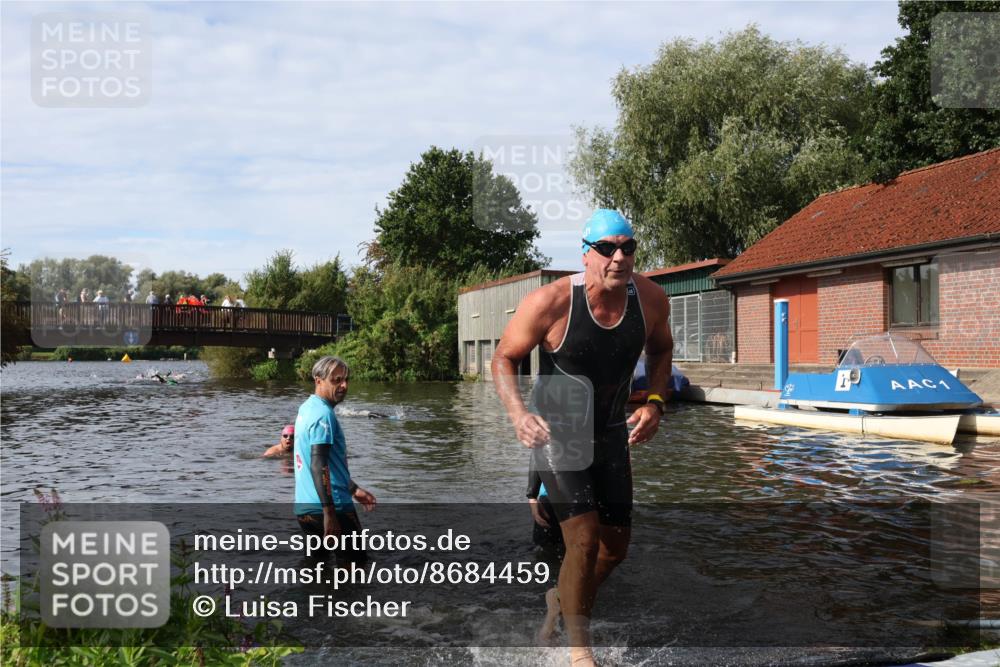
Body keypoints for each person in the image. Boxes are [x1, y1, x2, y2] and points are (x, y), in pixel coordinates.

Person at [492, 208, 673, 664]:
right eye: (607, 248)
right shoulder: (550, 302)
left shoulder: (650, 299)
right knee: (584, 540)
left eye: (627, 247)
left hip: (612, 435)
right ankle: (579, 653)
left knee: (614, 550)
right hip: (559, 436)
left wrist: (654, 401)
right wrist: (518, 414)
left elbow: (662, 348)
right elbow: (503, 358)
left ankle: (559, 600)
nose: (619, 257)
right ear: (586, 254)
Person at [293, 356, 376, 565]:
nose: (344, 385)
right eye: (336, 380)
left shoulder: (307, 408)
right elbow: (318, 464)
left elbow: (326, 464)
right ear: (318, 380)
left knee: (317, 570)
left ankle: (315, 599)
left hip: (305, 510)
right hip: (332, 509)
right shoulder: (324, 416)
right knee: (356, 568)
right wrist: (329, 512)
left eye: (346, 379)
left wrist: (353, 489)